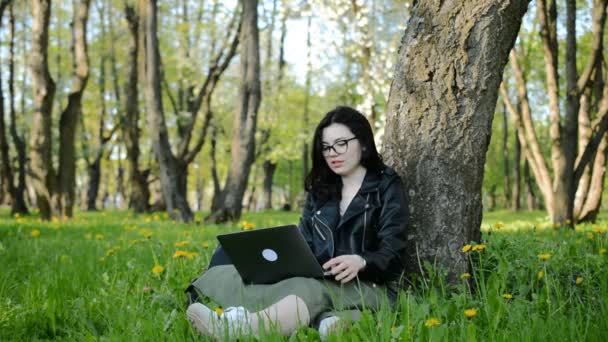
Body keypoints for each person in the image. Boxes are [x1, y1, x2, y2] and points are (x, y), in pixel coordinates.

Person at [186, 106, 408, 340]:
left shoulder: (386, 185)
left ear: (363, 143)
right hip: (322, 279)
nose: (333, 153)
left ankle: (242, 329)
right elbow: (304, 241)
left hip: (371, 285)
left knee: (307, 290)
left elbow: (394, 251)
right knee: (241, 271)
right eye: (326, 147)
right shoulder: (321, 188)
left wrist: (362, 261)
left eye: (341, 143)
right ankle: (335, 321)